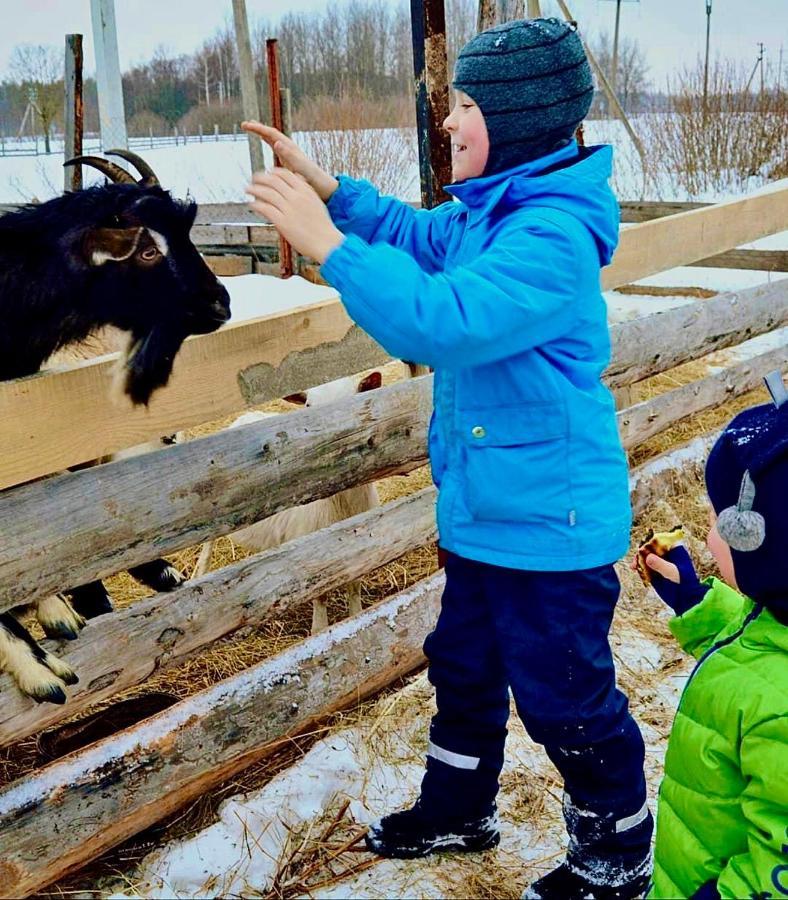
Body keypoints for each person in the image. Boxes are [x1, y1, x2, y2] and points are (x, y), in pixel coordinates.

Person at [243, 17, 652, 899]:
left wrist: (326, 246)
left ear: (518, 121)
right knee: (463, 670)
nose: (449, 121)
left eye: (465, 105)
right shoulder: (489, 215)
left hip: (552, 527)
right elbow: (421, 240)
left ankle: (615, 852)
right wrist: (332, 190)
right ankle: (458, 807)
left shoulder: (550, 237)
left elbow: (439, 320)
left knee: (566, 700)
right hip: (484, 512)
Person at [642, 379, 788, 900]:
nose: (706, 534)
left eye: (716, 520)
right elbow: (760, 648)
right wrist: (698, 605)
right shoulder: (777, 621)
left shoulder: (781, 714)